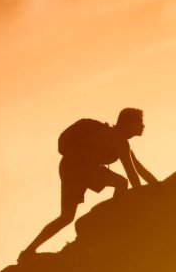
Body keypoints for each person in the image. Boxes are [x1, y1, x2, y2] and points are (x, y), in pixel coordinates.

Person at [18, 108, 158, 262]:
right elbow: (132, 173)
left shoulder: (119, 140)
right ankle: (115, 222)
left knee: (66, 216)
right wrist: (145, 196)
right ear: (128, 123)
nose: (143, 126)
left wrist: (158, 186)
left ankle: (28, 251)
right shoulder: (119, 140)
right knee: (121, 182)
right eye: (140, 122)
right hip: (80, 169)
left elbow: (140, 170)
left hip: (69, 167)